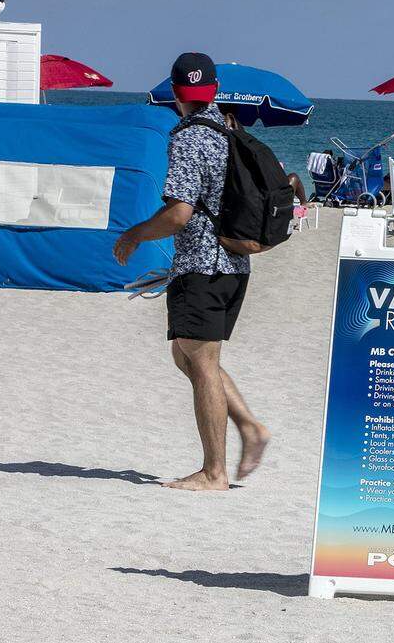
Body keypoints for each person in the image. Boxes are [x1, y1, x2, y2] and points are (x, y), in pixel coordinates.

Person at [114, 52, 270, 491]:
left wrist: (134, 235)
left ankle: (214, 472)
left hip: (202, 265)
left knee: (201, 365)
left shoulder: (188, 137)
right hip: (234, 262)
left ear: (176, 95)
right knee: (187, 356)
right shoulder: (230, 129)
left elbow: (179, 213)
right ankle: (250, 428)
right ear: (215, 90)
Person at [217, 104, 307, 204]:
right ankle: (304, 203)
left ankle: (304, 203)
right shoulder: (249, 145)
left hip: (251, 196)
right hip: (268, 202)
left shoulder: (229, 146)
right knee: (294, 177)